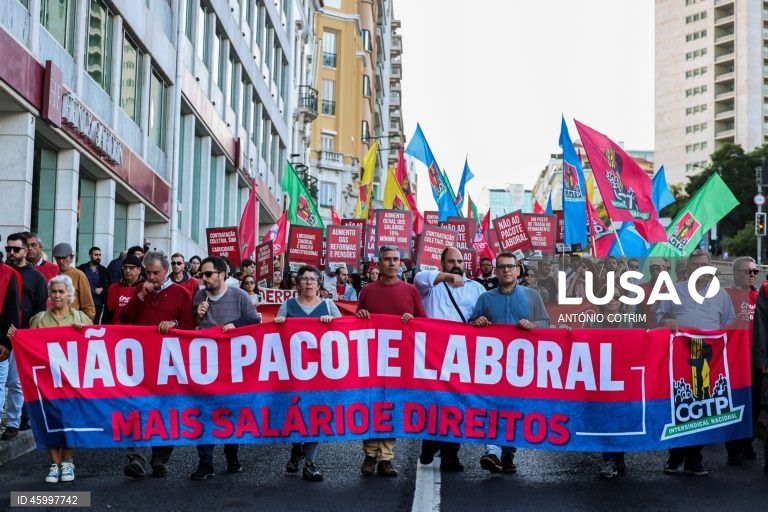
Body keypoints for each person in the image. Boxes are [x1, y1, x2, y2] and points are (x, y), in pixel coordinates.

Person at [470, 251, 550, 474]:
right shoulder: (485, 298)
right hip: (491, 366)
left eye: (510, 266)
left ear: (518, 270)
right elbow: (469, 326)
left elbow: (545, 322)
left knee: (514, 409)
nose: (506, 270)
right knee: (492, 407)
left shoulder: (532, 296)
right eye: (502, 266)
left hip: (520, 365)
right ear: (495, 271)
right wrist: (478, 321)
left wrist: (533, 325)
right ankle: (492, 451)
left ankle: (508, 453)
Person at [656, 249, 735, 477]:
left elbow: (729, 328)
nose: (700, 269)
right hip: (678, 356)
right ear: (688, 269)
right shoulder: (673, 290)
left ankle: (694, 459)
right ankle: (675, 456)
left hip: (706, 356)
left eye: (704, 265)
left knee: (700, 407)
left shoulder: (721, 295)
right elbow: (659, 318)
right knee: (678, 405)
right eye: (695, 265)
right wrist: (668, 320)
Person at [120, 251, 195, 479]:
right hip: (141, 363)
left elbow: (189, 325)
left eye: (156, 273)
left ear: (166, 271)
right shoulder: (140, 290)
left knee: (165, 410)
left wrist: (173, 323)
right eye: (148, 272)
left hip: (168, 364)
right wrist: (140, 296)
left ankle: (160, 459)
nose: (151, 277)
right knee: (137, 409)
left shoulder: (180, 294)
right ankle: (137, 459)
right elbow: (124, 318)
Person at [9, 275, 91, 482]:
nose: (57, 295)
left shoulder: (82, 319)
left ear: (69, 294)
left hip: (72, 380)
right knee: (51, 421)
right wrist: (16, 337)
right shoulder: (38, 320)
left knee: (69, 422)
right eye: (54, 291)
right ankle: (54, 464)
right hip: (46, 380)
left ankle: (68, 462)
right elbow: (29, 348)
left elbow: (93, 347)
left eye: (61, 291)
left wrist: (85, 333)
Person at [356, 245, 426, 477]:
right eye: (387, 259)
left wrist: (411, 319)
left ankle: (386, 457)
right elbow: (357, 320)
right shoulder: (367, 291)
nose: (392, 263)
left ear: (401, 263)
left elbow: (423, 323)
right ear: (379, 263)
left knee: (391, 407)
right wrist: (361, 316)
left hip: (399, 360)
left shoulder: (410, 291)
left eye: (396, 259)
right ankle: (369, 454)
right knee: (371, 404)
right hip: (372, 358)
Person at [414, 247, 484, 472]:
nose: (457, 265)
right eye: (451, 261)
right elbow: (418, 278)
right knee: (435, 402)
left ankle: (450, 454)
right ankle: (429, 442)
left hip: (461, 355)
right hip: (432, 354)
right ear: (442, 263)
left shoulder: (476, 288)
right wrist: (447, 277)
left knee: (455, 405)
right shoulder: (431, 287)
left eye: (460, 261)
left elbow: (483, 315)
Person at [191, 256, 261, 481]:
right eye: (202, 274)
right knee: (204, 412)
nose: (204, 278)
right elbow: (191, 327)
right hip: (206, 366)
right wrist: (197, 315)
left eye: (208, 274)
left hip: (232, 366)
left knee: (231, 412)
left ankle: (232, 455)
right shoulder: (200, 295)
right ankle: (206, 462)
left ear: (222, 275)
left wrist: (235, 325)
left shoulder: (239, 296)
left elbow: (254, 321)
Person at [274, 265, 341, 482]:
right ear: (298, 283)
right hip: (293, 371)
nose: (309, 283)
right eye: (305, 279)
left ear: (319, 284)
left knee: (315, 416)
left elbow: (345, 331)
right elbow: (274, 335)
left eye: (313, 279)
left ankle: (310, 463)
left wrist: (332, 324)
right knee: (295, 414)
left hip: (320, 373)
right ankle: (297, 449)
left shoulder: (329, 306)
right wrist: (280, 324)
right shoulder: (287, 305)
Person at [587, 286, 635, 479]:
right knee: (606, 419)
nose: (613, 300)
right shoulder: (593, 322)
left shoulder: (629, 321)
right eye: (608, 296)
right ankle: (609, 460)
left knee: (620, 418)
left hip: (622, 377)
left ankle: (618, 456)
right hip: (601, 377)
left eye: (616, 296)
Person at [1, 233, 47, 440]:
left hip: (23, 336)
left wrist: (31, 336)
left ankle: (14, 422)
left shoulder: (36, 277)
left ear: (25, 251)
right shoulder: (4, 273)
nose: (11, 252)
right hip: (4, 333)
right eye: (8, 249)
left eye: (16, 249)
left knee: (16, 382)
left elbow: (39, 308)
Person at [724, 257, 759, 465]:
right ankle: (733, 447)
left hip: (756, 358)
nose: (753, 275)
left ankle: (748, 442)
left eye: (755, 271)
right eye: (748, 271)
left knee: (754, 403)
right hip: (735, 359)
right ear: (736, 274)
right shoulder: (726, 295)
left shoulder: (760, 295)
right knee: (736, 402)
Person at [0, 252, 21, 441]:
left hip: (3, 342)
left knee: (10, 384)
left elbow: (12, 310)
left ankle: (14, 422)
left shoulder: (8, 274)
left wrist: (7, 343)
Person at [52, 243, 95, 321]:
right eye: (58, 258)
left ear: (71, 258)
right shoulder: (52, 274)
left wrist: (85, 324)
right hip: (53, 321)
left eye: (64, 258)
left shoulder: (79, 275)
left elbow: (88, 306)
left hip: (72, 322)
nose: (61, 261)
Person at [106, 255, 145, 325]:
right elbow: (108, 314)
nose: (127, 270)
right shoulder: (114, 288)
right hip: (117, 329)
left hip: (137, 330)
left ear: (139, 270)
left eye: (131, 268)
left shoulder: (145, 288)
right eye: (125, 267)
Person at [76, 247, 110, 323]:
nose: (98, 257)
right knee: (83, 323)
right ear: (90, 255)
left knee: (95, 324)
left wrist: (103, 289)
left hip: (98, 303)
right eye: (96, 255)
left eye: (100, 255)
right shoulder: (82, 268)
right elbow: (77, 283)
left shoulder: (104, 270)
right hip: (83, 302)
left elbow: (108, 285)